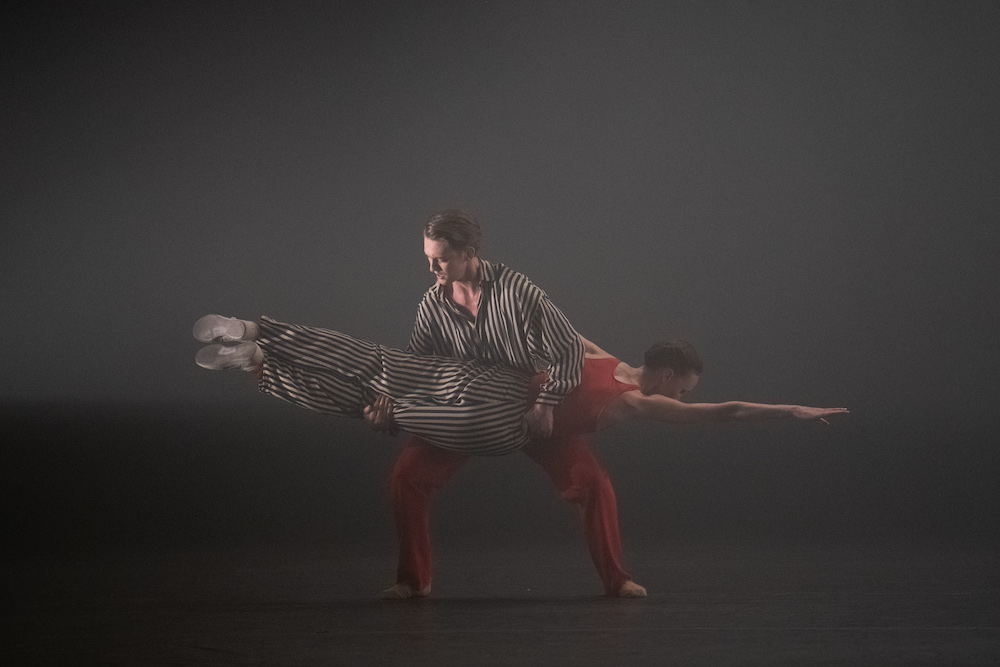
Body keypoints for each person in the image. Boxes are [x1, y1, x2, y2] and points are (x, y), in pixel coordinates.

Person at [193, 316, 847, 580]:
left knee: (595, 486)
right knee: (404, 465)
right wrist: (793, 409)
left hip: (553, 440)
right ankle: (413, 580)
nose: (688, 393)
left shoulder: (608, 362)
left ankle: (615, 580)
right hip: (501, 413)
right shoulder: (637, 396)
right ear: (671, 374)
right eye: (688, 384)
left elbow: (564, 331)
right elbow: (721, 412)